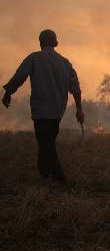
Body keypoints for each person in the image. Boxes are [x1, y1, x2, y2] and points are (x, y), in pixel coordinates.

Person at [1, 29, 84, 185]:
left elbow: (19, 77)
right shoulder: (65, 63)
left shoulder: (34, 58)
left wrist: (8, 93)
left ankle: (60, 179)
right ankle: (45, 174)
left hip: (40, 111)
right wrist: (79, 110)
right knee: (47, 142)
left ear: (40, 42)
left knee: (46, 144)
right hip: (57, 112)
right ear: (55, 43)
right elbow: (75, 88)